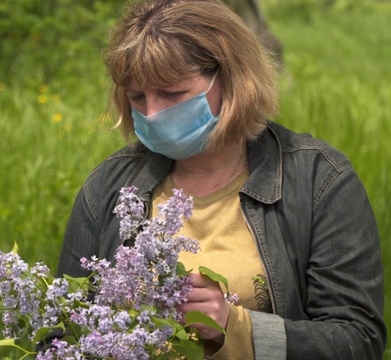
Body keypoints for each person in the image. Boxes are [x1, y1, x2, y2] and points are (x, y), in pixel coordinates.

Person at [55, 0, 386, 358]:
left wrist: (233, 326)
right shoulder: (109, 187)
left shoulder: (317, 179)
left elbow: (358, 339)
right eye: (137, 97)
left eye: (171, 93)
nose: (151, 113)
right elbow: (61, 333)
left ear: (230, 78)